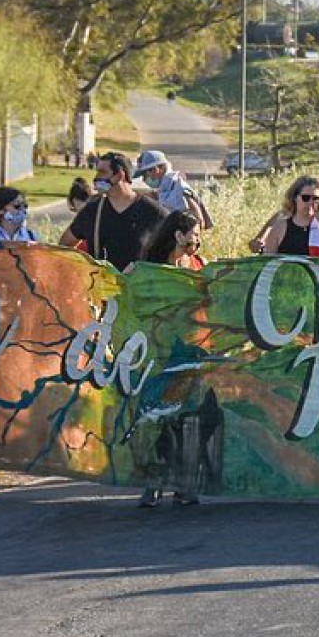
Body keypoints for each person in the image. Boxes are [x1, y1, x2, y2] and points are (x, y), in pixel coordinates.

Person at [136, 210, 211, 508]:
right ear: (178, 235)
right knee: (155, 417)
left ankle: (184, 481)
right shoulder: (151, 268)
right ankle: (152, 480)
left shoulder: (197, 266)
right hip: (159, 352)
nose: (198, 240)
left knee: (185, 417)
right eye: (194, 234)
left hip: (189, 352)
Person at [62, 152, 170, 269]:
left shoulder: (155, 213)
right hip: (103, 285)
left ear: (120, 175)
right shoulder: (92, 212)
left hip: (140, 286)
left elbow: (172, 254)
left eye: (102, 172)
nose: (96, 178)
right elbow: (65, 244)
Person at [260, 176, 319, 257]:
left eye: (316, 198)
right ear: (294, 198)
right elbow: (268, 259)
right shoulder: (281, 225)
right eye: (306, 198)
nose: (311, 202)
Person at [135, 149, 213, 230]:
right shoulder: (165, 188)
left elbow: (199, 220)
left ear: (156, 169)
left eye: (145, 175)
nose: (144, 180)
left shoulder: (179, 187)